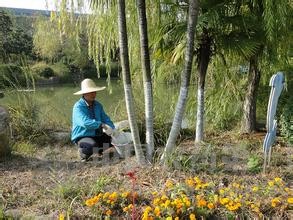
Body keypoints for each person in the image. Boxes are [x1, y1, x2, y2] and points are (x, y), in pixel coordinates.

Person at [71, 78, 115, 162]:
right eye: (90, 92)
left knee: (113, 139)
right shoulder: (78, 107)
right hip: (83, 136)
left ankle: (98, 150)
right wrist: (101, 124)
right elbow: (85, 123)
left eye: (94, 91)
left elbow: (105, 118)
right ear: (84, 93)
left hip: (96, 134)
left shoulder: (98, 105)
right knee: (91, 146)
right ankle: (82, 152)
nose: (93, 94)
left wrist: (112, 128)